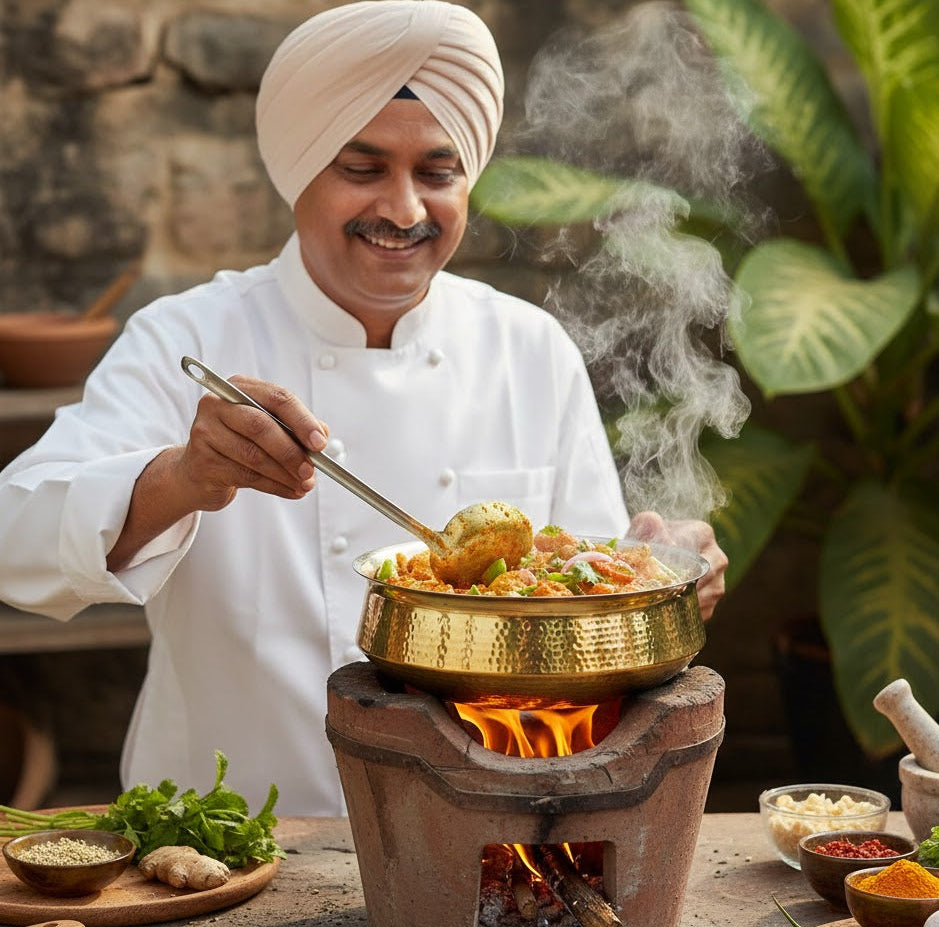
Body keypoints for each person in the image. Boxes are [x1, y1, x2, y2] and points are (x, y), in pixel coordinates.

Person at [0, 0, 727, 816]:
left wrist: (649, 580)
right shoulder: (188, 335)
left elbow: (579, 613)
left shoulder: (528, 347)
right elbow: (14, 545)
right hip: (225, 840)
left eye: (437, 172)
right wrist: (184, 476)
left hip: (483, 837)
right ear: (298, 169)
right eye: (362, 167)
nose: (405, 209)